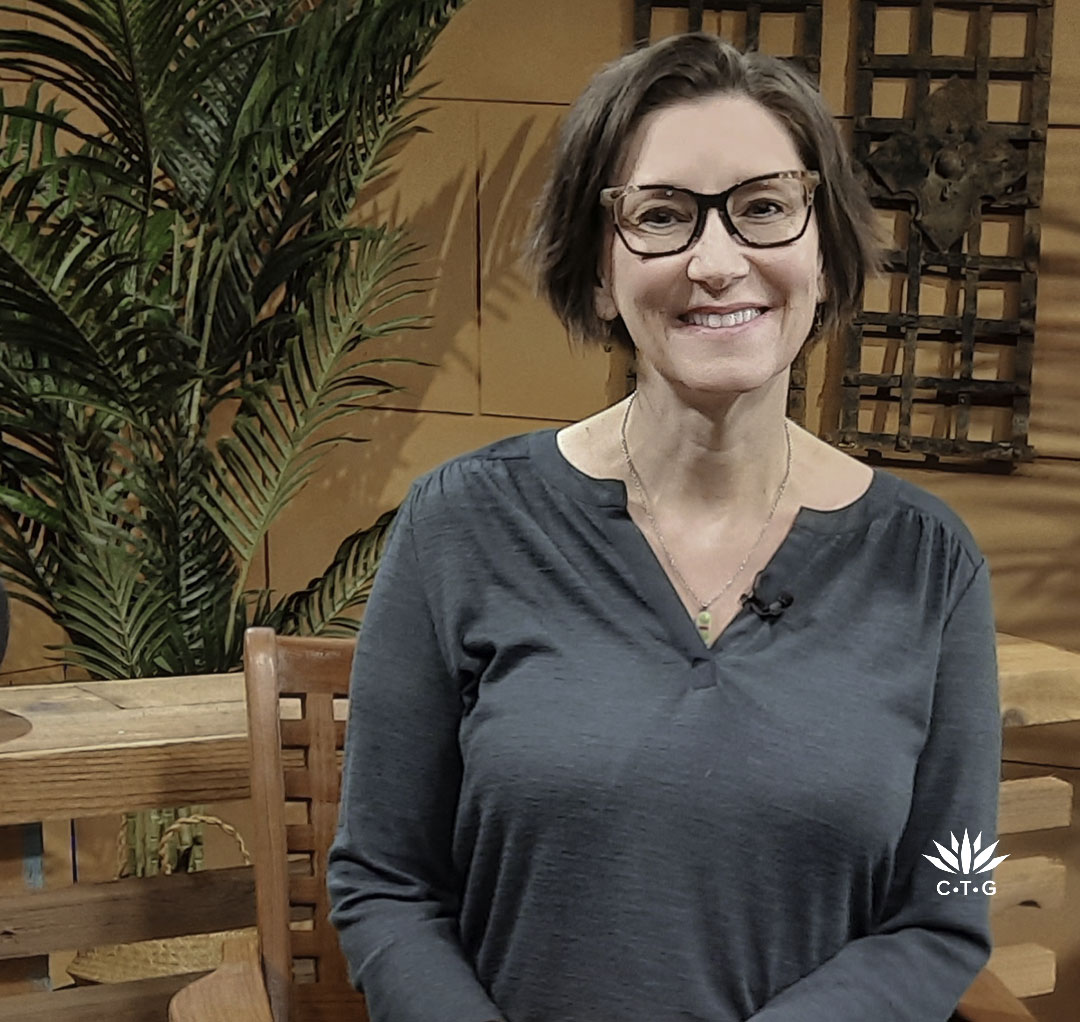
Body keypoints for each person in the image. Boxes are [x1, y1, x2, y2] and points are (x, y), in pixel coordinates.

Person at [328, 32, 1002, 1022]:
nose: (717, 260)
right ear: (599, 271)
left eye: (765, 208)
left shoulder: (933, 564)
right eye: (663, 216)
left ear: (824, 254)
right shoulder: (458, 522)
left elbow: (949, 899)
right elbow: (384, 878)